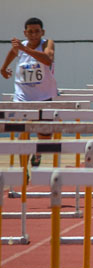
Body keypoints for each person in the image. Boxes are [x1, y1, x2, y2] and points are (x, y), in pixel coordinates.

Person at [2, 17, 58, 167]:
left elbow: (48, 59)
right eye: (30, 32)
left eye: (37, 31)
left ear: (42, 32)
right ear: (25, 33)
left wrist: (25, 49)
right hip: (22, 97)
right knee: (23, 133)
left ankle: (37, 154)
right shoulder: (20, 46)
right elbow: (13, 53)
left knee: (45, 134)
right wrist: (3, 67)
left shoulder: (47, 43)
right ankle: (23, 169)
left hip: (43, 96)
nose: (34, 34)